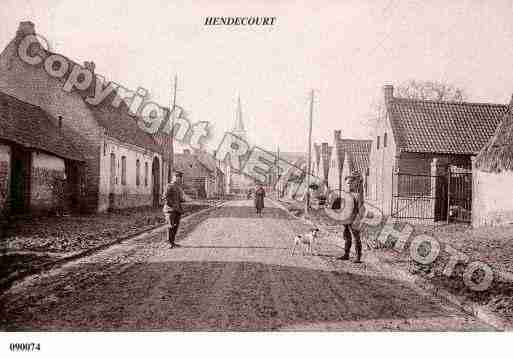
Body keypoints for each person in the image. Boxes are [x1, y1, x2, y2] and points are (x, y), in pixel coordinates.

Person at [338, 172, 364, 263]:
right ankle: (346, 254)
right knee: (346, 236)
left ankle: (358, 256)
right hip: (346, 217)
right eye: (347, 183)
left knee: (356, 237)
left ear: (354, 183)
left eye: (350, 183)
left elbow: (361, 207)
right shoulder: (346, 194)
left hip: (354, 218)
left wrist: (358, 218)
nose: (348, 184)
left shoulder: (357, 195)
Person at [163, 171, 185, 248]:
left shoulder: (179, 188)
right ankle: (169, 243)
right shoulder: (169, 186)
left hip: (177, 210)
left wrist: (182, 199)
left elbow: (180, 199)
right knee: (170, 226)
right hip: (170, 210)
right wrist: (172, 205)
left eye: (180, 178)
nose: (179, 179)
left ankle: (172, 242)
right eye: (177, 177)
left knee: (175, 227)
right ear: (174, 178)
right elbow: (165, 197)